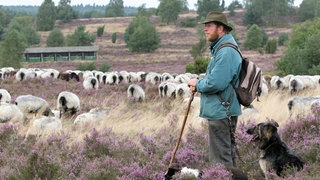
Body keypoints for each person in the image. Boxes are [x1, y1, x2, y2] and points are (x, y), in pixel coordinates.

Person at [188, 11, 242, 167]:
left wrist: (197, 84)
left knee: (221, 161)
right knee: (226, 158)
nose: (205, 29)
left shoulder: (225, 52)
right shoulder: (222, 49)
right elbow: (217, 79)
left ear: (221, 29)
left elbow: (216, 83)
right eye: (205, 26)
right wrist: (199, 82)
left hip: (221, 112)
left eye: (209, 26)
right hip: (221, 110)